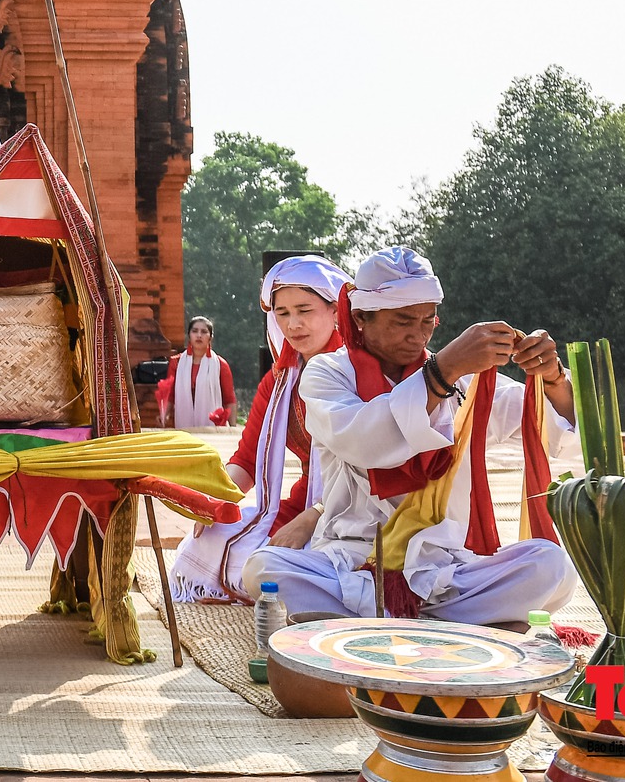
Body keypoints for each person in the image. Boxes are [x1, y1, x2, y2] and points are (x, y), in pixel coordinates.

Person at [251, 247, 578, 627]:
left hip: (443, 567)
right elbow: (366, 442)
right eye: (403, 321)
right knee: (264, 568)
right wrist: (443, 371)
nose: (417, 334)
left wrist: (553, 378)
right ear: (360, 318)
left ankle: (367, 625)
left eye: (427, 321)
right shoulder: (328, 372)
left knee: (552, 565)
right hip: (351, 561)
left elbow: (551, 429)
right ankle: (456, 626)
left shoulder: (461, 380)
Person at [171, 257, 351, 603]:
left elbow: (369, 473)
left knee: (282, 567)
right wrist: (213, 500)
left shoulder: (358, 374)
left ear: (335, 310)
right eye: (282, 313)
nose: (293, 324)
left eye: (304, 310)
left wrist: (312, 518)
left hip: (356, 510)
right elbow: (247, 459)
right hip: (304, 502)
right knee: (213, 537)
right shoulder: (278, 381)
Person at [156, 315, 236, 428]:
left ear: (210, 337)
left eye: (204, 332)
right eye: (195, 331)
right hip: (184, 424)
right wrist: (164, 415)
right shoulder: (176, 363)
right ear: (189, 335)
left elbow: (229, 399)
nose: (199, 335)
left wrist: (233, 428)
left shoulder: (220, 364)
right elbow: (170, 395)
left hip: (213, 428)